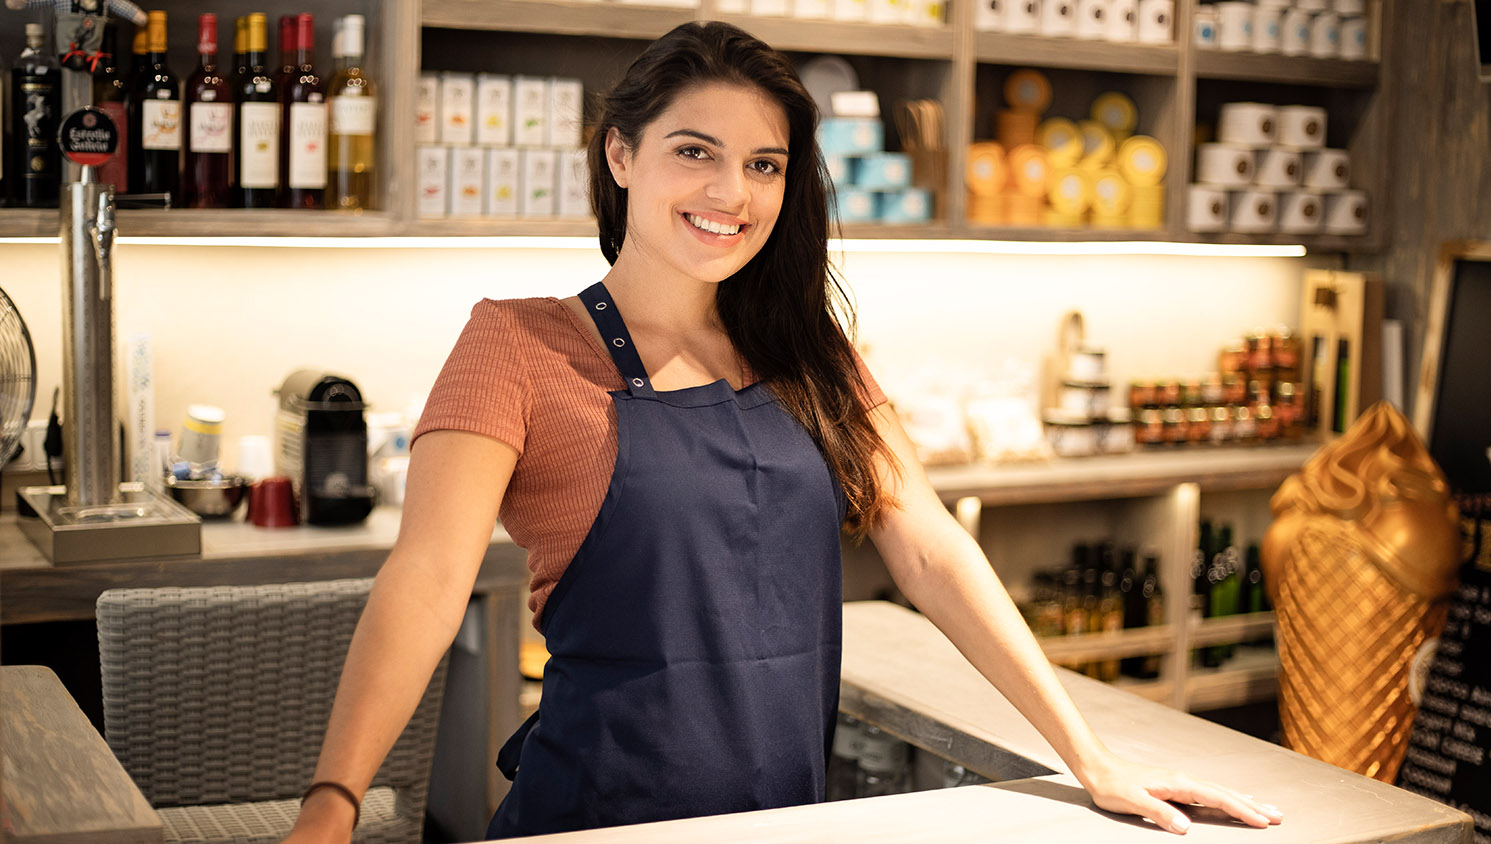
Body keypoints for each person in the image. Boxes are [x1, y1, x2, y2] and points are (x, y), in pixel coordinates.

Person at [284, 21, 1284, 843]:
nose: (733, 194)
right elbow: (425, 580)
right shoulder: (516, 343)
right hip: (595, 819)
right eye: (695, 152)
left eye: (764, 164)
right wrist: (332, 806)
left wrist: (1091, 757)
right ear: (620, 153)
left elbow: (931, 550)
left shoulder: (808, 352)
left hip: (787, 818)